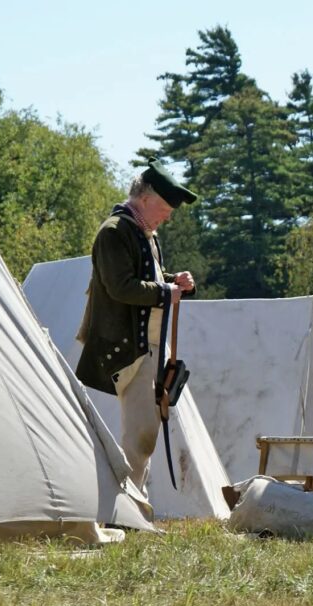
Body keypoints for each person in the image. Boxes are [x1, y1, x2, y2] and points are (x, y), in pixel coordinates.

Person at [76, 158, 198, 496]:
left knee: (145, 434)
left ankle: (131, 505)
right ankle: (126, 509)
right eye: (164, 207)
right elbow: (121, 287)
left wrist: (177, 283)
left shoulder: (145, 234)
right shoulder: (114, 232)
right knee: (139, 435)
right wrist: (166, 291)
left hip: (151, 347)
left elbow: (151, 279)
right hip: (129, 348)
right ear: (145, 199)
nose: (168, 215)